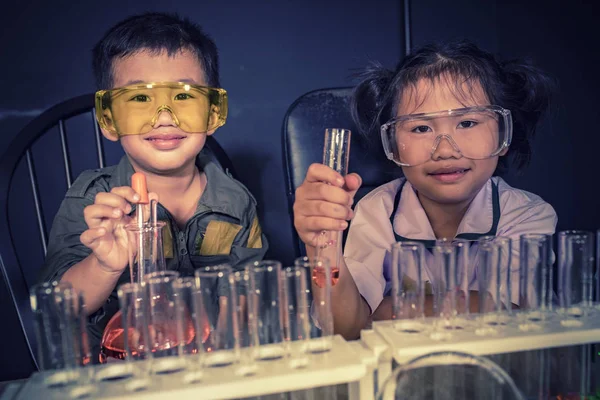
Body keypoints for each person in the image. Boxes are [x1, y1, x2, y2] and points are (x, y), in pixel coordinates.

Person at [38, 12, 268, 357]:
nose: (163, 117)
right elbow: (60, 308)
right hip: (114, 376)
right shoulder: (92, 201)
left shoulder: (236, 203)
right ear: (108, 118)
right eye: (140, 99)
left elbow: (246, 304)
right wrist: (104, 265)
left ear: (212, 113)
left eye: (184, 97)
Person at [293, 40, 557, 339]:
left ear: (504, 134)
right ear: (392, 143)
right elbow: (348, 328)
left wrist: (386, 311)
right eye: (420, 128)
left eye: (468, 122)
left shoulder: (527, 214)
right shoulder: (377, 209)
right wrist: (320, 246)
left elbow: (512, 321)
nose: (445, 150)